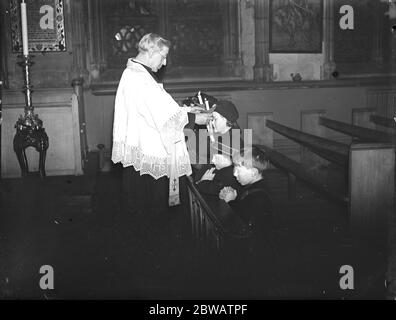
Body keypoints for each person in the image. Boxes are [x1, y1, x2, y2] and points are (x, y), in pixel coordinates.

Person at [111, 33, 210, 220]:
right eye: (163, 56)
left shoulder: (134, 73)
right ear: (150, 52)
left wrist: (185, 109)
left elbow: (156, 109)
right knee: (156, 213)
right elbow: (163, 116)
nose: (164, 63)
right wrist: (195, 119)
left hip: (144, 150)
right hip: (151, 154)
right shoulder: (139, 78)